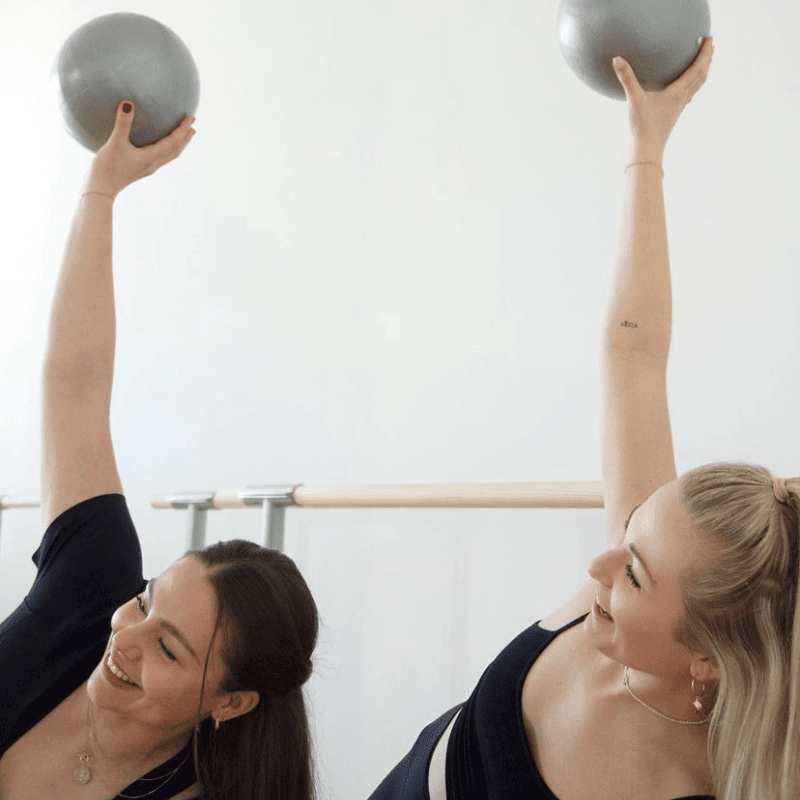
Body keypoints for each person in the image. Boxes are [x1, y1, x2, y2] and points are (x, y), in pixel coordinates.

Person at [369, 34, 800, 800]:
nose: (599, 564)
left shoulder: (705, 782)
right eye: (627, 539)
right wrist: (648, 146)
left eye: (633, 572)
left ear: (706, 657)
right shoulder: (622, 596)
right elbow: (632, 352)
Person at [0, 103, 318, 800]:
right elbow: (74, 387)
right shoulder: (92, 583)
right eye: (147, 602)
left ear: (229, 703)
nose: (129, 635)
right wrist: (101, 191)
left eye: (170, 647)